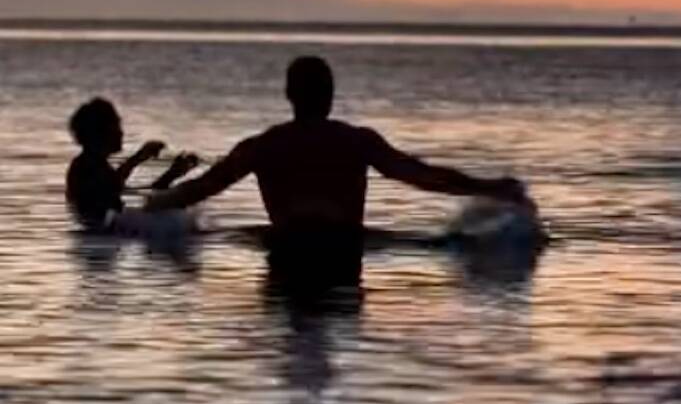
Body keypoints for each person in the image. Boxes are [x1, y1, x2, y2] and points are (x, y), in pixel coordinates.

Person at [144, 56, 529, 284]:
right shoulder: (356, 141)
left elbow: (203, 188)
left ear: (290, 96)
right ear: (330, 96)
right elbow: (421, 176)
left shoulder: (263, 146)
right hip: (344, 253)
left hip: (287, 251)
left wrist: (154, 206)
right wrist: (493, 187)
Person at [66, 98, 199, 230]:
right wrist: (138, 158)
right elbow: (111, 187)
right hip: (103, 234)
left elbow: (137, 193)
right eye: (116, 125)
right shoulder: (85, 166)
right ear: (100, 131)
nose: (121, 133)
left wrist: (172, 174)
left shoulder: (96, 165)